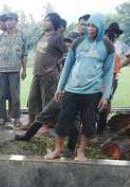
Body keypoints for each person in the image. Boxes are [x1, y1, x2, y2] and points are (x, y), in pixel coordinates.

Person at [46, 13, 114, 161]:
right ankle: (57, 150)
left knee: (88, 124)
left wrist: (105, 96)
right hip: (71, 90)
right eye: (88, 25)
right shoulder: (78, 43)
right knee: (63, 121)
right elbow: (67, 67)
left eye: (94, 26)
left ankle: (81, 152)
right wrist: (60, 87)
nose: (90, 29)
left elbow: (109, 74)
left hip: (93, 92)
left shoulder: (107, 46)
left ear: (100, 27)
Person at [24, 13, 67, 131]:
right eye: (44, 20)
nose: (45, 22)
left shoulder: (57, 37)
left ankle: (46, 125)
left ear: (54, 23)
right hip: (37, 73)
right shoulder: (42, 35)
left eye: (47, 21)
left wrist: (57, 66)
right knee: (32, 99)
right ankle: (30, 123)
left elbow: (65, 54)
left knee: (47, 101)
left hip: (49, 74)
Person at [0, 13, 28, 127]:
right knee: (1, 95)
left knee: (15, 95)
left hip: (15, 69)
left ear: (16, 21)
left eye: (10, 20)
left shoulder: (22, 36)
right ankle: (1, 117)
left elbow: (24, 54)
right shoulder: (0, 37)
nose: (8, 22)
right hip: (2, 70)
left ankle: (16, 118)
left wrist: (24, 69)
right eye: (6, 20)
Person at [98, 22, 130, 132]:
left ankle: (102, 125)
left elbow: (129, 55)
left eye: (115, 33)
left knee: (107, 100)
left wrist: (119, 65)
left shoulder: (120, 45)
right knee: (95, 99)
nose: (113, 35)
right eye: (110, 33)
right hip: (98, 76)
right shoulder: (102, 42)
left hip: (112, 77)